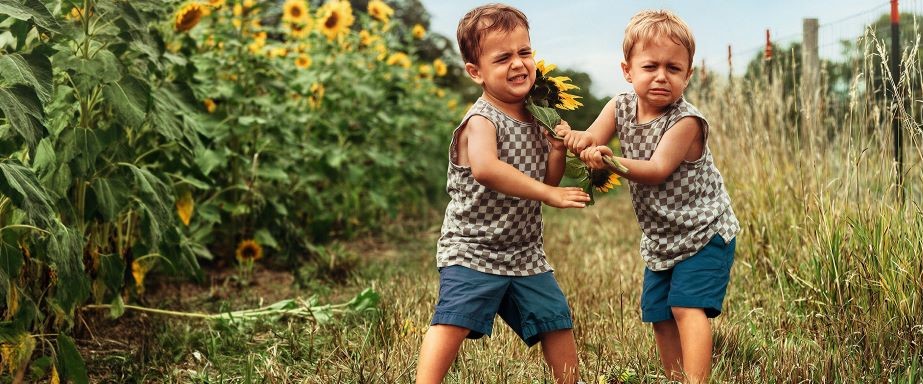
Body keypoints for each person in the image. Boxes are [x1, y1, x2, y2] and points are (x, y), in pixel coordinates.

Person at [556, 9, 740, 384]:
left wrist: (609, 160)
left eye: (673, 68)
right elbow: (592, 139)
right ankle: (675, 378)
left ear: (688, 75)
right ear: (628, 71)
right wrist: (575, 139)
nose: (661, 76)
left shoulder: (686, 122)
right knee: (659, 314)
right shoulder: (619, 106)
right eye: (650, 66)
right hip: (661, 238)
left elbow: (657, 169)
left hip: (704, 232)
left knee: (686, 307)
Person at [414, 4, 591, 384]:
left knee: (555, 320)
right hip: (473, 248)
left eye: (524, 52)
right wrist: (548, 194)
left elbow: (547, 177)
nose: (518, 64)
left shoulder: (536, 116)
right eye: (502, 57)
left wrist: (556, 150)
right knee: (453, 320)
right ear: (475, 72)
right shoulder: (482, 120)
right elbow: (487, 169)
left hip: (524, 251)